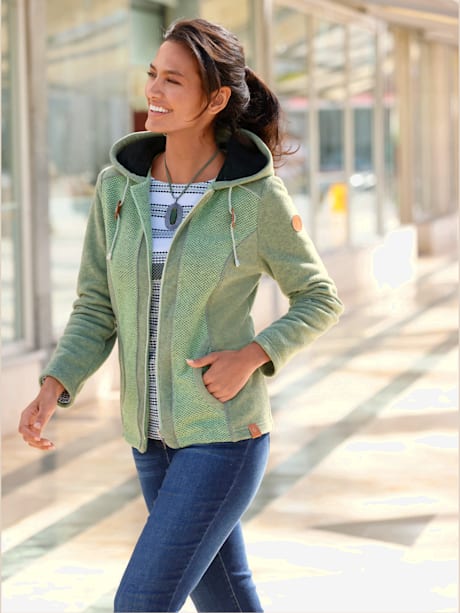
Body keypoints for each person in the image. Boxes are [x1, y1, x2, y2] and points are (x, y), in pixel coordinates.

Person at [19, 17, 343, 613]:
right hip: (149, 441)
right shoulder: (118, 190)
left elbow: (319, 295)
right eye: (153, 75)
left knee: (140, 603)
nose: (154, 91)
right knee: (226, 599)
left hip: (224, 434)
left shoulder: (254, 197)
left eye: (173, 80)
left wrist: (253, 355)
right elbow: (96, 303)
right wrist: (56, 382)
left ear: (215, 100)